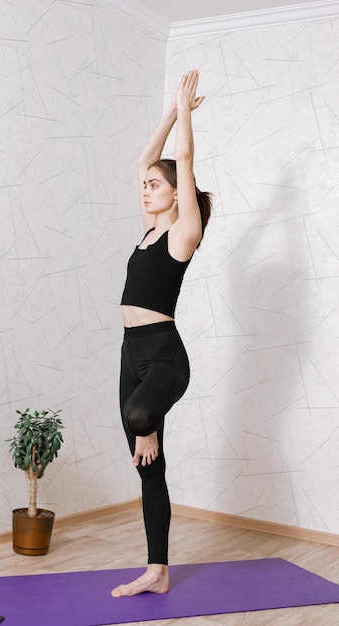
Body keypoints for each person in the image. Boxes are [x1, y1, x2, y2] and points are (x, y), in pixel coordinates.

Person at [111, 70, 212, 598]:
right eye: (147, 186)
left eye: (156, 185)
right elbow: (140, 162)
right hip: (132, 354)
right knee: (149, 469)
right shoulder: (149, 230)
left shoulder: (182, 233)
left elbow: (186, 162)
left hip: (165, 358)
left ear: (178, 195)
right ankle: (158, 570)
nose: (146, 189)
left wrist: (186, 113)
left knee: (139, 418)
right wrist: (168, 112)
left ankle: (149, 421)